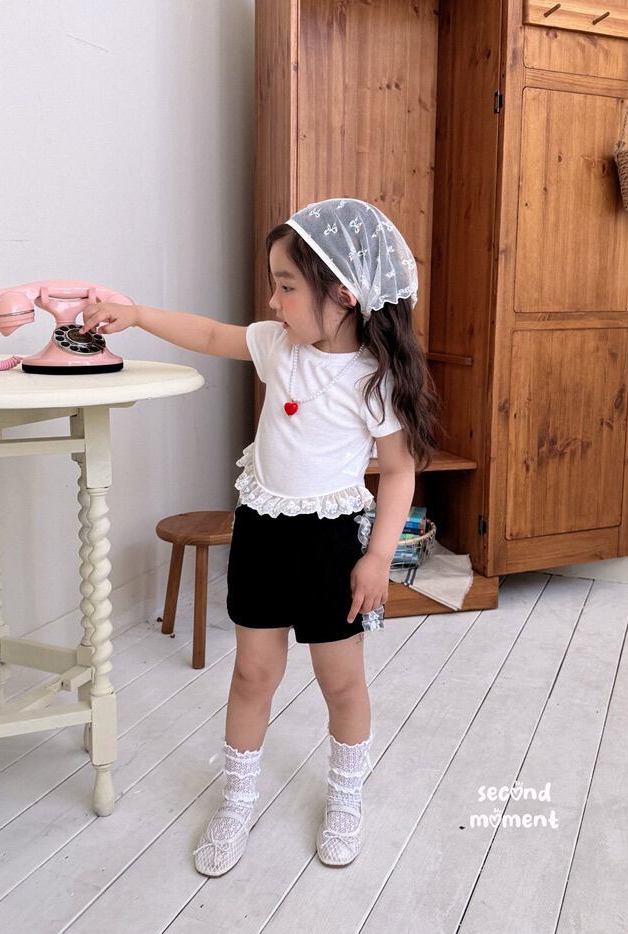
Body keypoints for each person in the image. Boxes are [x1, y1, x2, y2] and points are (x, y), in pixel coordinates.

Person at [79, 197, 442, 877]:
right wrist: (138, 314)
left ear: (344, 294)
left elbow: (398, 473)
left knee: (341, 682)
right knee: (252, 673)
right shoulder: (277, 346)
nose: (273, 301)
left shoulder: (375, 379)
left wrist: (377, 558)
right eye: (274, 285)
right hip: (262, 531)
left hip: (331, 543)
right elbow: (211, 333)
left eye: (287, 286)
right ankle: (238, 799)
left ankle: (345, 796)